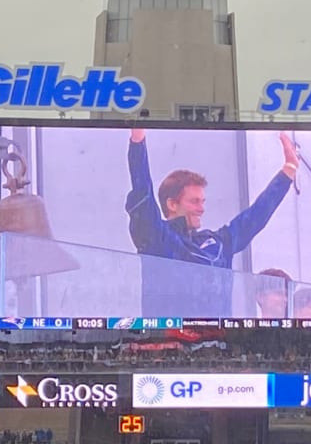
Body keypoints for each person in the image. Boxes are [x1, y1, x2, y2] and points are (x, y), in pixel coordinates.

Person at [125, 128, 297, 317]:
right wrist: (137, 141)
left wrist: (288, 171)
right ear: (172, 204)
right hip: (169, 340)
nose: (202, 208)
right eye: (194, 201)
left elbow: (255, 217)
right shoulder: (157, 237)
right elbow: (143, 193)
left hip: (218, 341)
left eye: (203, 201)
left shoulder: (217, 243)